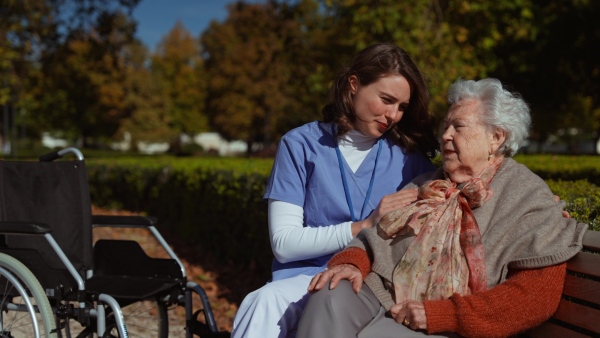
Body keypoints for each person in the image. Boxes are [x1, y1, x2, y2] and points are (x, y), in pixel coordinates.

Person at [296, 78, 588, 338]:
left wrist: (443, 314)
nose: (446, 135)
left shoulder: (526, 195)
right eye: (445, 126)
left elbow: (535, 297)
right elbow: (373, 237)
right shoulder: (427, 183)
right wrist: (351, 262)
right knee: (330, 293)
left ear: (496, 137)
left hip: (452, 324)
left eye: (458, 126)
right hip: (386, 298)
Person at [231, 43, 440, 338]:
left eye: (402, 107)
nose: (393, 114)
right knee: (263, 302)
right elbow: (284, 244)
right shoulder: (300, 144)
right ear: (354, 85)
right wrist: (366, 225)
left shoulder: (411, 161)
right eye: (386, 99)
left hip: (374, 284)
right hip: (304, 280)